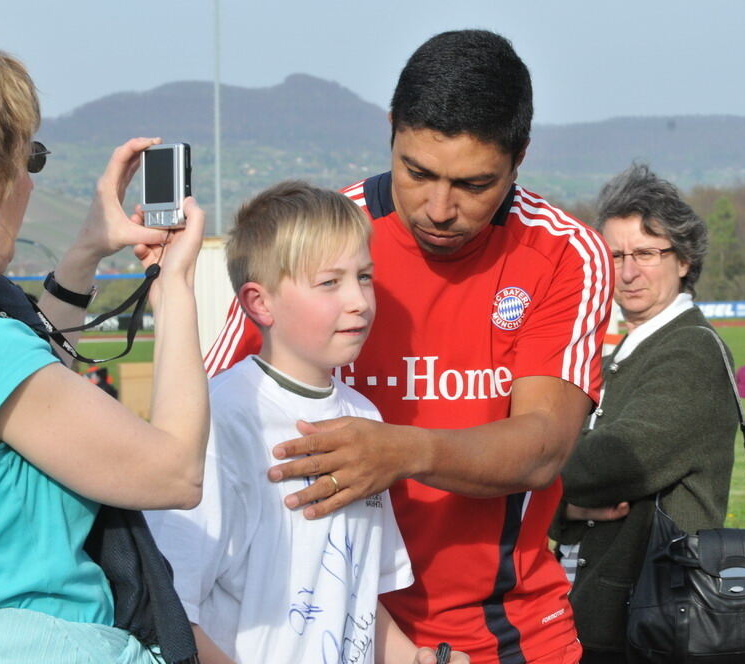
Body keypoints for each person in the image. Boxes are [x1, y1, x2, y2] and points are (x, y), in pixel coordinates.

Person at [204, 30, 611, 664]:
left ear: (520, 157)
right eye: (416, 172)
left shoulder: (563, 252)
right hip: (319, 636)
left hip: (506, 638)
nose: (439, 207)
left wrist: (401, 450)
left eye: (474, 184)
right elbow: (207, 428)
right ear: (391, 128)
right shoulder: (318, 238)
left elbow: (543, 446)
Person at [0, 44, 209, 662]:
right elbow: (176, 473)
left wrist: (86, 250)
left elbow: (33, 387)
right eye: (31, 158)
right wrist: (174, 286)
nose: (32, 180)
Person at [147, 181, 464, 664]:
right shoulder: (218, 421)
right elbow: (168, 612)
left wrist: (414, 658)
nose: (358, 300)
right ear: (260, 303)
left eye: (364, 276)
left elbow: (354, 599)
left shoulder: (364, 419)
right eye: (329, 282)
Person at [549, 165, 737, 662]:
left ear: (684, 259)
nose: (627, 272)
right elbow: (582, 480)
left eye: (647, 253)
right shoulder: (632, 349)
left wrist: (520, 475)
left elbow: (613, 460)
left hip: (652, 617)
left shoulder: (690, 351)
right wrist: (561, 506)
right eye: (615, 255)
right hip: (612, 611)